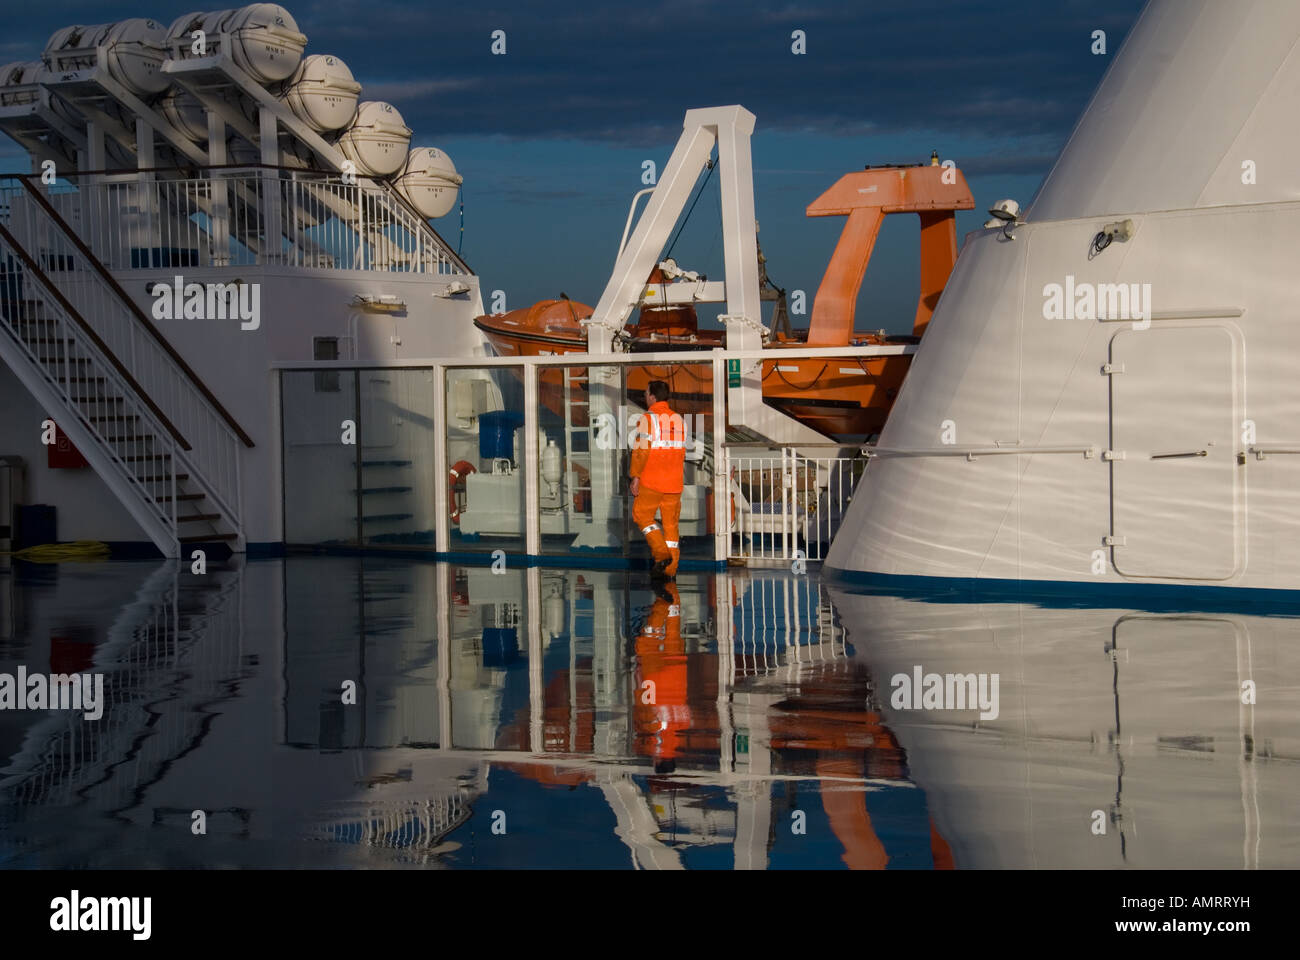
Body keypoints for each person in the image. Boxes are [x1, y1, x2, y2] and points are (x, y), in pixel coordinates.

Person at [629, 380, 685, 578]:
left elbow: (641, 451)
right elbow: (680, 452)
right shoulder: (678, 419)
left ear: (652, 396)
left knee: (641, 515)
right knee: (671, 527)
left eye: (645, 393)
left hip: (652, 480)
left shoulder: (648, 418)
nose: (644, 397)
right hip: (674, 483)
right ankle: (669, 571)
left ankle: (661, 555)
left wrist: (635, 476)